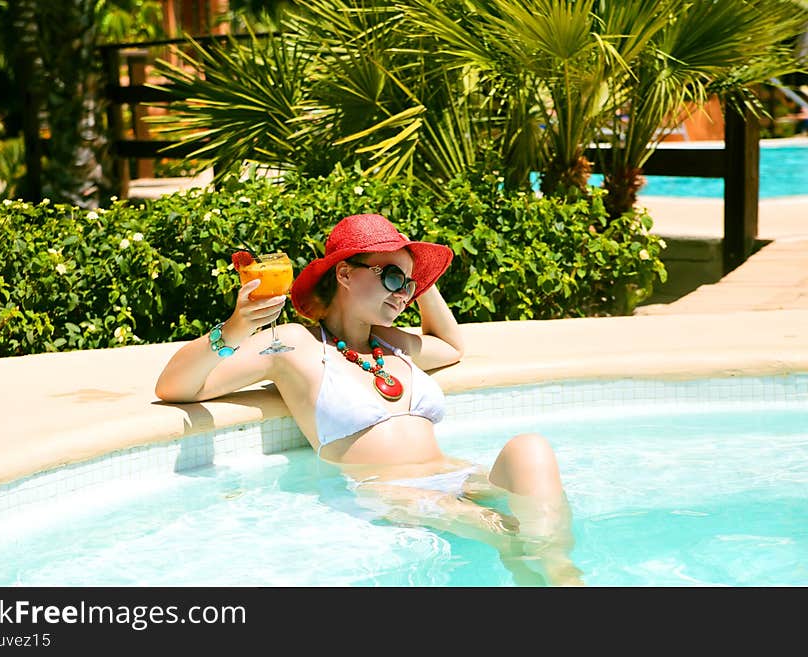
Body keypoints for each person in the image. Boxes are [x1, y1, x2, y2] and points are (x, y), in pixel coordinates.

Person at [155, 213, 583, 586]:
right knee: (512, 535)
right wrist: (234, 327)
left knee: (531, 449)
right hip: (386, 492)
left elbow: (452, 345)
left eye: (408, 286)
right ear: (344, 274)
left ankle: (558, 569)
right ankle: (552, 577)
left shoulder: (392, 344)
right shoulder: (293, 346)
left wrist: (415, 274)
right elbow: (175, 387)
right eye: (392, 279)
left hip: (453, 478)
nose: (403, 295)